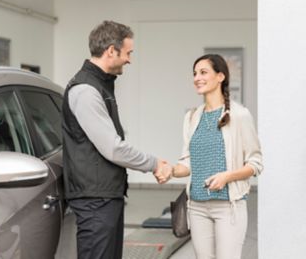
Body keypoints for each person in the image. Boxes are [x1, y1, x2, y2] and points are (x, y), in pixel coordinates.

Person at [61, 20, 171, 259]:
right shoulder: (86, 91)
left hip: (104, 196)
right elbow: (113, 148)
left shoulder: (101, 86)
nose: (130, 59)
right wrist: (154, 163)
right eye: (128, 52)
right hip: (94, 200)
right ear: (111, 50)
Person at [169, 54, 263, 259]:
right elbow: (187, 162)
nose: (197, 78)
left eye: (203, 72)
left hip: (228, 208)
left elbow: (255, 163)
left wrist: (226, 177)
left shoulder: (240, 115)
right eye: (194, 73)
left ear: (220, 76)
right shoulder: (192, 117)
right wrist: (171, 171)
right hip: (196, 207)